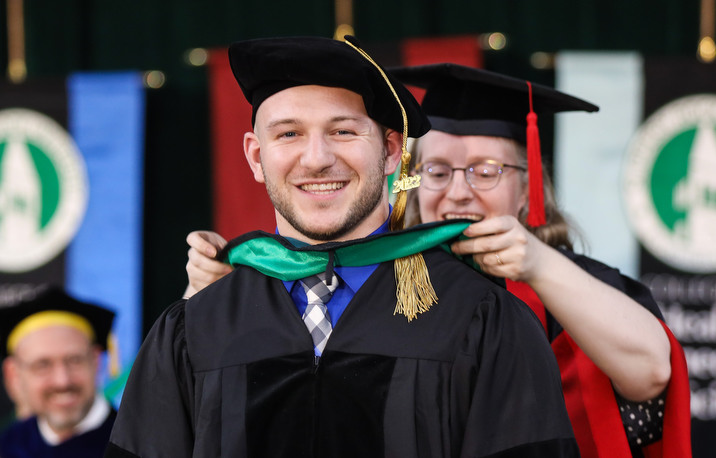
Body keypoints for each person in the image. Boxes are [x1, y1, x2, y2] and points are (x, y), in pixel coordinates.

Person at [184, 63, 692, 457]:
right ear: (408, 178)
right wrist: (230, 288)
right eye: (439, 171)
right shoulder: (378, 277)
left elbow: (651, 372)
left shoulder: (573, 284)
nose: (460, 193)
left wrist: (536, 263)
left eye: (487, 170)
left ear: (528, 185)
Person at [106, 36, 578, 457]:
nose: (317, 159)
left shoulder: (482, 318)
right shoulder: (193, 329)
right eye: (289, 133)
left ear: (392, 151)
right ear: (255, 155)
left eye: (343, 131)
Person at [0, 285, 117, 458]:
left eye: (74, 360)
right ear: (14, 374)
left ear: (96, 360)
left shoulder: (137, 444)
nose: (62, 381)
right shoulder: (7, 447)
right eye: (42, 365)